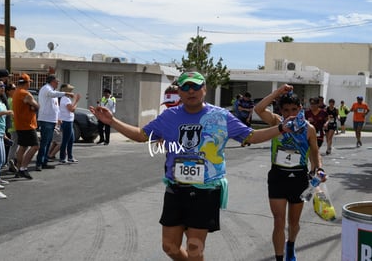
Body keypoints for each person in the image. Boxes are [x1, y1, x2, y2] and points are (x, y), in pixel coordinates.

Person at [90, 71, 296, 261]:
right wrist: (112, 121)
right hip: (176, 188)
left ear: (204, 89)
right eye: (185, 87)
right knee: (169, 246)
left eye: (196, 87)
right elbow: (141, 135)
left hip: (206, 190)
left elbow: (251, 136)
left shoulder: (220, 116)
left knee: (195, 247)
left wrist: (280, 128)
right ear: (178, 91)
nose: (191, 91)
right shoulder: (169, 117)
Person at [254, 85, 324, 261]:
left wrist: (318, 169)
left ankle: (291, 244)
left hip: (299, 178)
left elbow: (315, 152)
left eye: (294, 109)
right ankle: (279, 258)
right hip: (278, 176)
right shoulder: (276, 122)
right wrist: (278, 92)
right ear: (281, 110)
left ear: (301, 108)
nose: (290, 113)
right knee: (278, 220)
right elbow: (258, 109)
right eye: (286, 110)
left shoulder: (309, 129)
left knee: (293, 223)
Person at [36, 74, 74, 170]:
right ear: (52, 81)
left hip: (51, 120)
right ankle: (39, 163)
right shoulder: (46, 88)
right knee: (44, 142)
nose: (58, 83)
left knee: (48, 142)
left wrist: (57, 118)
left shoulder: (52, 91)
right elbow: (52, 94)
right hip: (46, 119)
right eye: (57, 81)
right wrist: (65, 93)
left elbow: (55, 107)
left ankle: (44, 161)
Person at [12, 73, 40, 180]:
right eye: (29, 82)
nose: (29, 84)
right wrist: (34, 105)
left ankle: (19, 168)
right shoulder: (25, 94)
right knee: (35, 146)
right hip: (27, 124)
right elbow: (37, 106)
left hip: (19, 124)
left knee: (23, 147)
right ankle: (23, 168)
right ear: (26, 83)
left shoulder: (16, 92)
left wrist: (33, 106)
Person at [58, 83, 81, 163]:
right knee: (66, 140)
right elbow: (71, 109)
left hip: (69, 121)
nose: (72, 92)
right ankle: (62, 157)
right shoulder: (65, 99)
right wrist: (76, 101)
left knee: (71, 139)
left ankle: (70, 157)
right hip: (66, 121)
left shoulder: (65, 98)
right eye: (70, 90)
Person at [5, 83, 18, 172]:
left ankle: (12, 161)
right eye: (13, 88)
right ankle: (10, 163)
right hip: (14, 126)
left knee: (15, 145)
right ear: (8, 91)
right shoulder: (11, 100)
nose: (15, 90)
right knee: (14, 145)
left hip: (13, 126)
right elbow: (14, 115)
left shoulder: (11, 99)